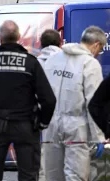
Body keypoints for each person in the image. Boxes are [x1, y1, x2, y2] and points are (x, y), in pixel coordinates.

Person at [0, 20, 56, 181]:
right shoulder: (30, 63)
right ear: (19, 37)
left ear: (0, 38)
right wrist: (41, 123)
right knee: (29, 175)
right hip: (26, 125)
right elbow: (48, 99)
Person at [42, 25, 107, 181]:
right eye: (101, 49)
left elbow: (42, 93)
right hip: (77, 127)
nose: (99, 54)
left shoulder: (53, 59)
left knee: (52, 174)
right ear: (96, 45)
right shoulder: (90, 64)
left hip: (51, 125)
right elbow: (94, 102)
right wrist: (99, 137)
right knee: (76, 175)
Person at [37, 29, 62, 181]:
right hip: (66, 114)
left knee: (44, 158)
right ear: (60, 43)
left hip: (42, 115)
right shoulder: (66, 62)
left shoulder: (36, 63)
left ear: (41, 44)